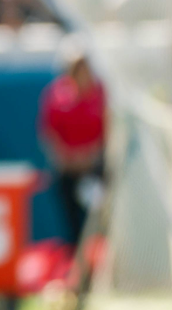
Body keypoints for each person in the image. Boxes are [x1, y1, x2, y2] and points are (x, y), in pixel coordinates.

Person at [38, 42, 107, 244]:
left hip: (95, 170)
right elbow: (49, 133)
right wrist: (69, 159)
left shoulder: (101, 94)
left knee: (98, 222)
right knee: (73, 225)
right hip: (67, 171)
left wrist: (90, 157)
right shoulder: (57, 96)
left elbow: (109, 131)